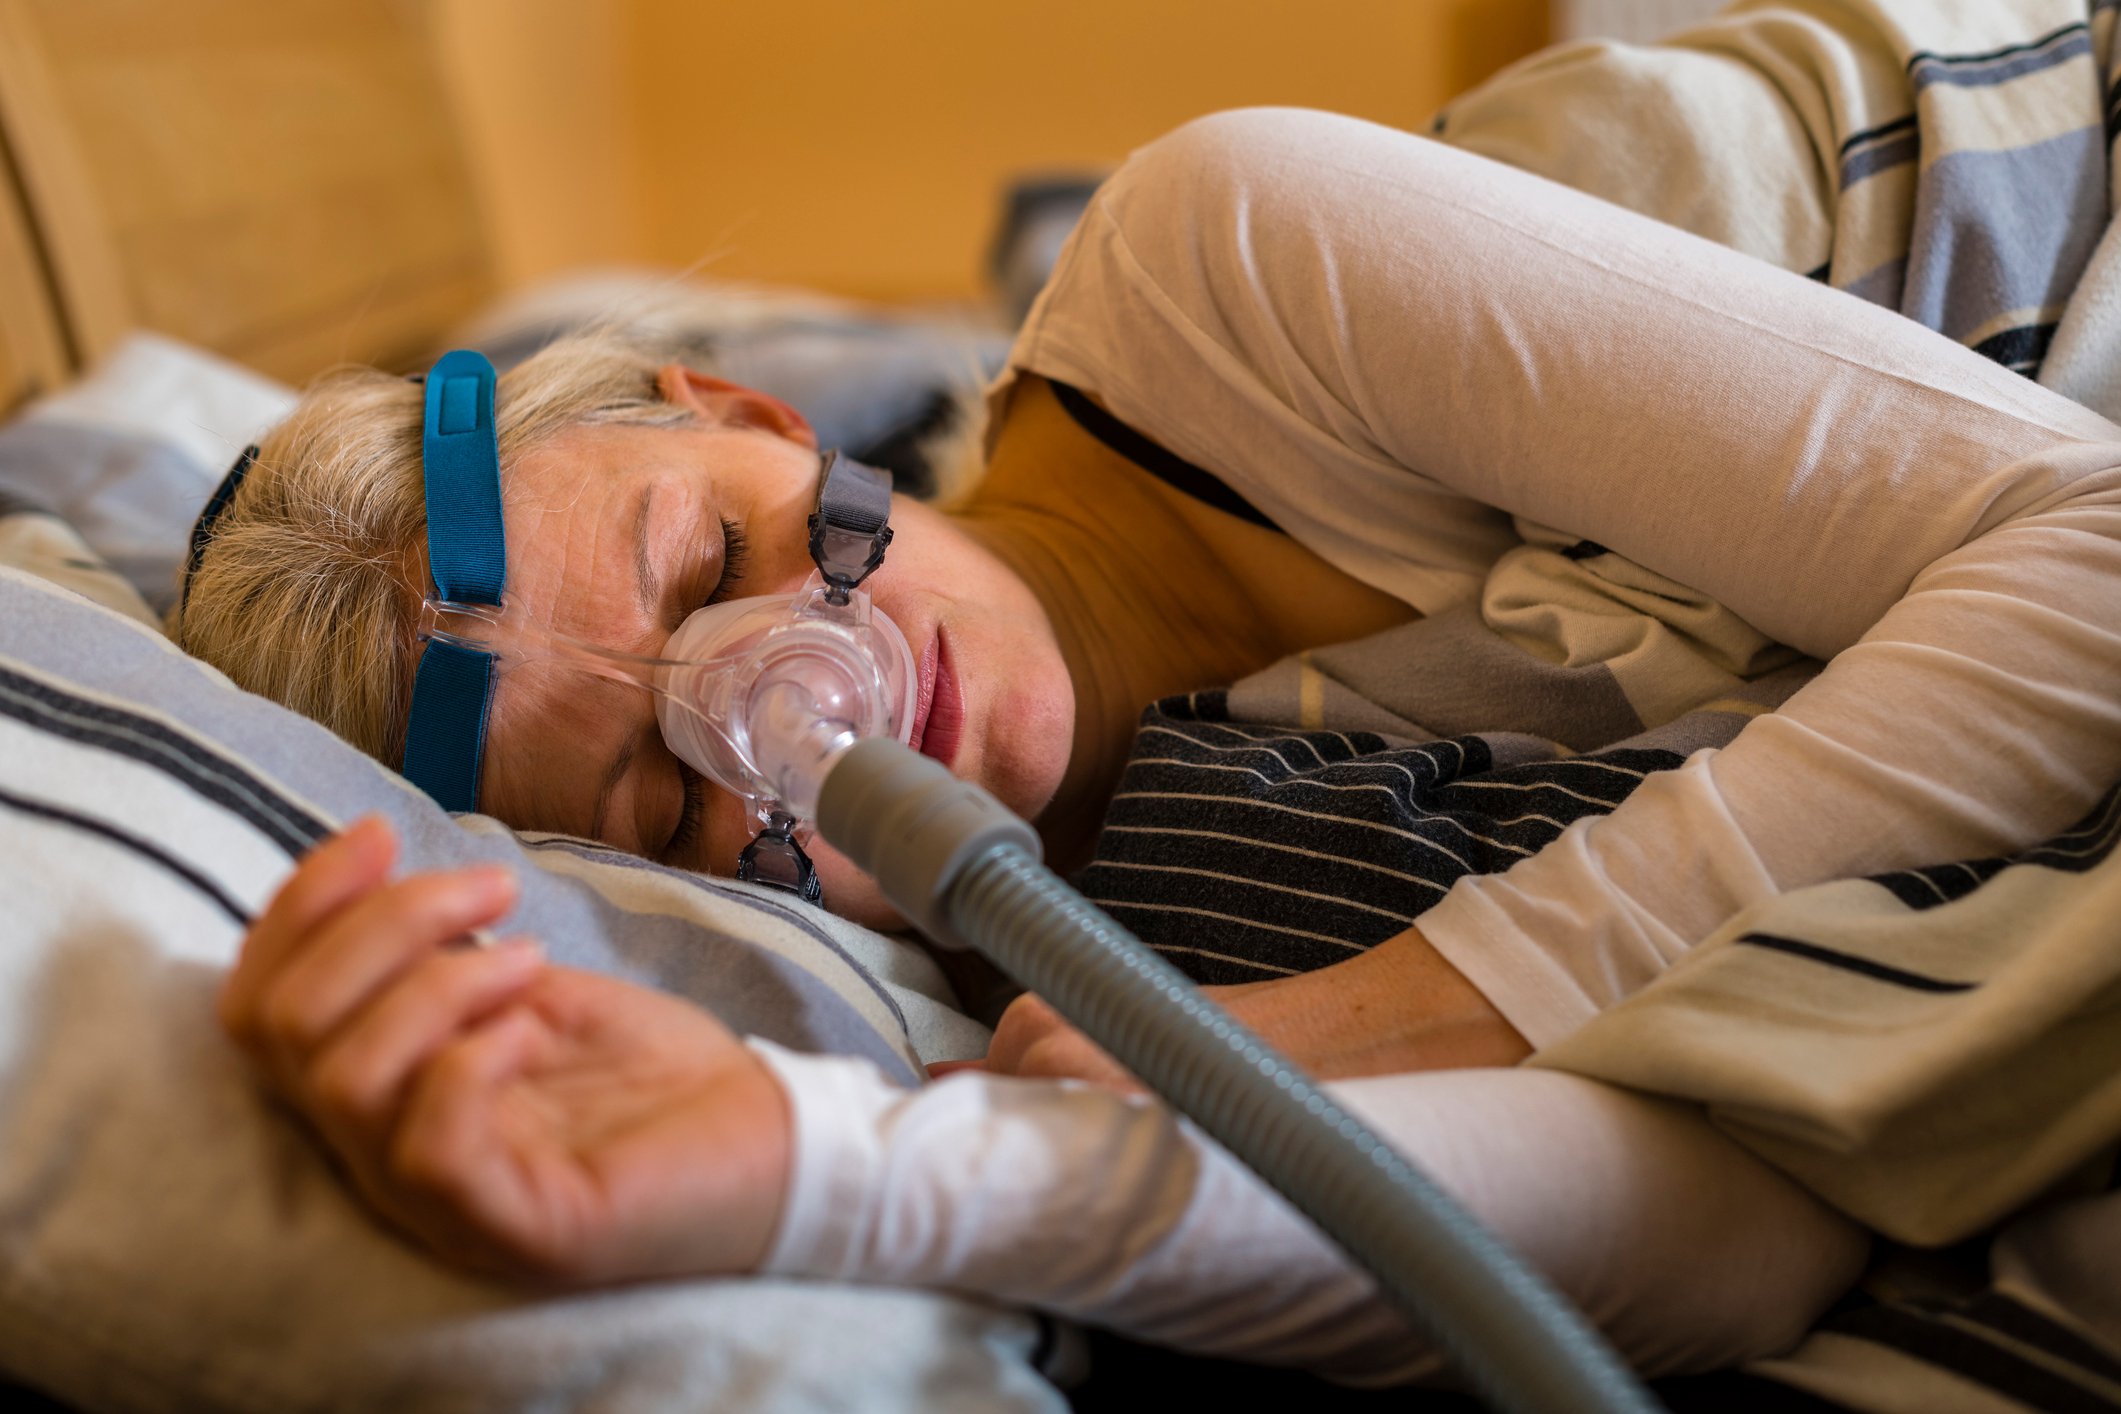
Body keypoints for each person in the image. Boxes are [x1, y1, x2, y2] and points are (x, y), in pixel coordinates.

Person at [175, 93, 2118, 1382]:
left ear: (758, 414)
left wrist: (1450, 992)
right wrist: (822, 1156)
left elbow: (2091, 546)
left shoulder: (1227, 269)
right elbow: (1766, 1202)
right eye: (672, 788)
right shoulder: (1137, 938)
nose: (808, 687)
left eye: (712, 565)